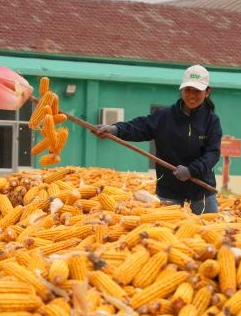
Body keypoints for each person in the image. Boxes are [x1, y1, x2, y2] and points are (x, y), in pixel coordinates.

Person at [94, 64, 222, 214]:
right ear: (181, 90)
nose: (192, 95)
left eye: (197, 91)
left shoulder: (211, 121)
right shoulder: (164, 116)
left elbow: (212, 154)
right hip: (169, 188)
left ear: (207, 92)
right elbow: (139, 127)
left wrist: (191, 170)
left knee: (207, 230)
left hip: (202, 188)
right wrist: (115, 129)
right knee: (166, 232)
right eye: (188, 90)